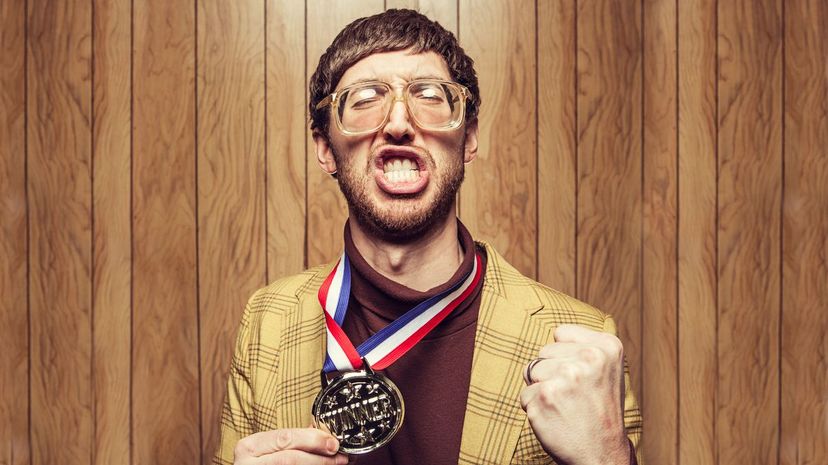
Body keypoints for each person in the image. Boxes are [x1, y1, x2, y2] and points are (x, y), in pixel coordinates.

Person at [214, 9, 642, 465]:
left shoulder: (582, 346)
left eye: (430, 94)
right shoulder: (267, 323)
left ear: (469, 137)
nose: (398, 122)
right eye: (364, 99)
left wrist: (608, 458)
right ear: (325, 149)